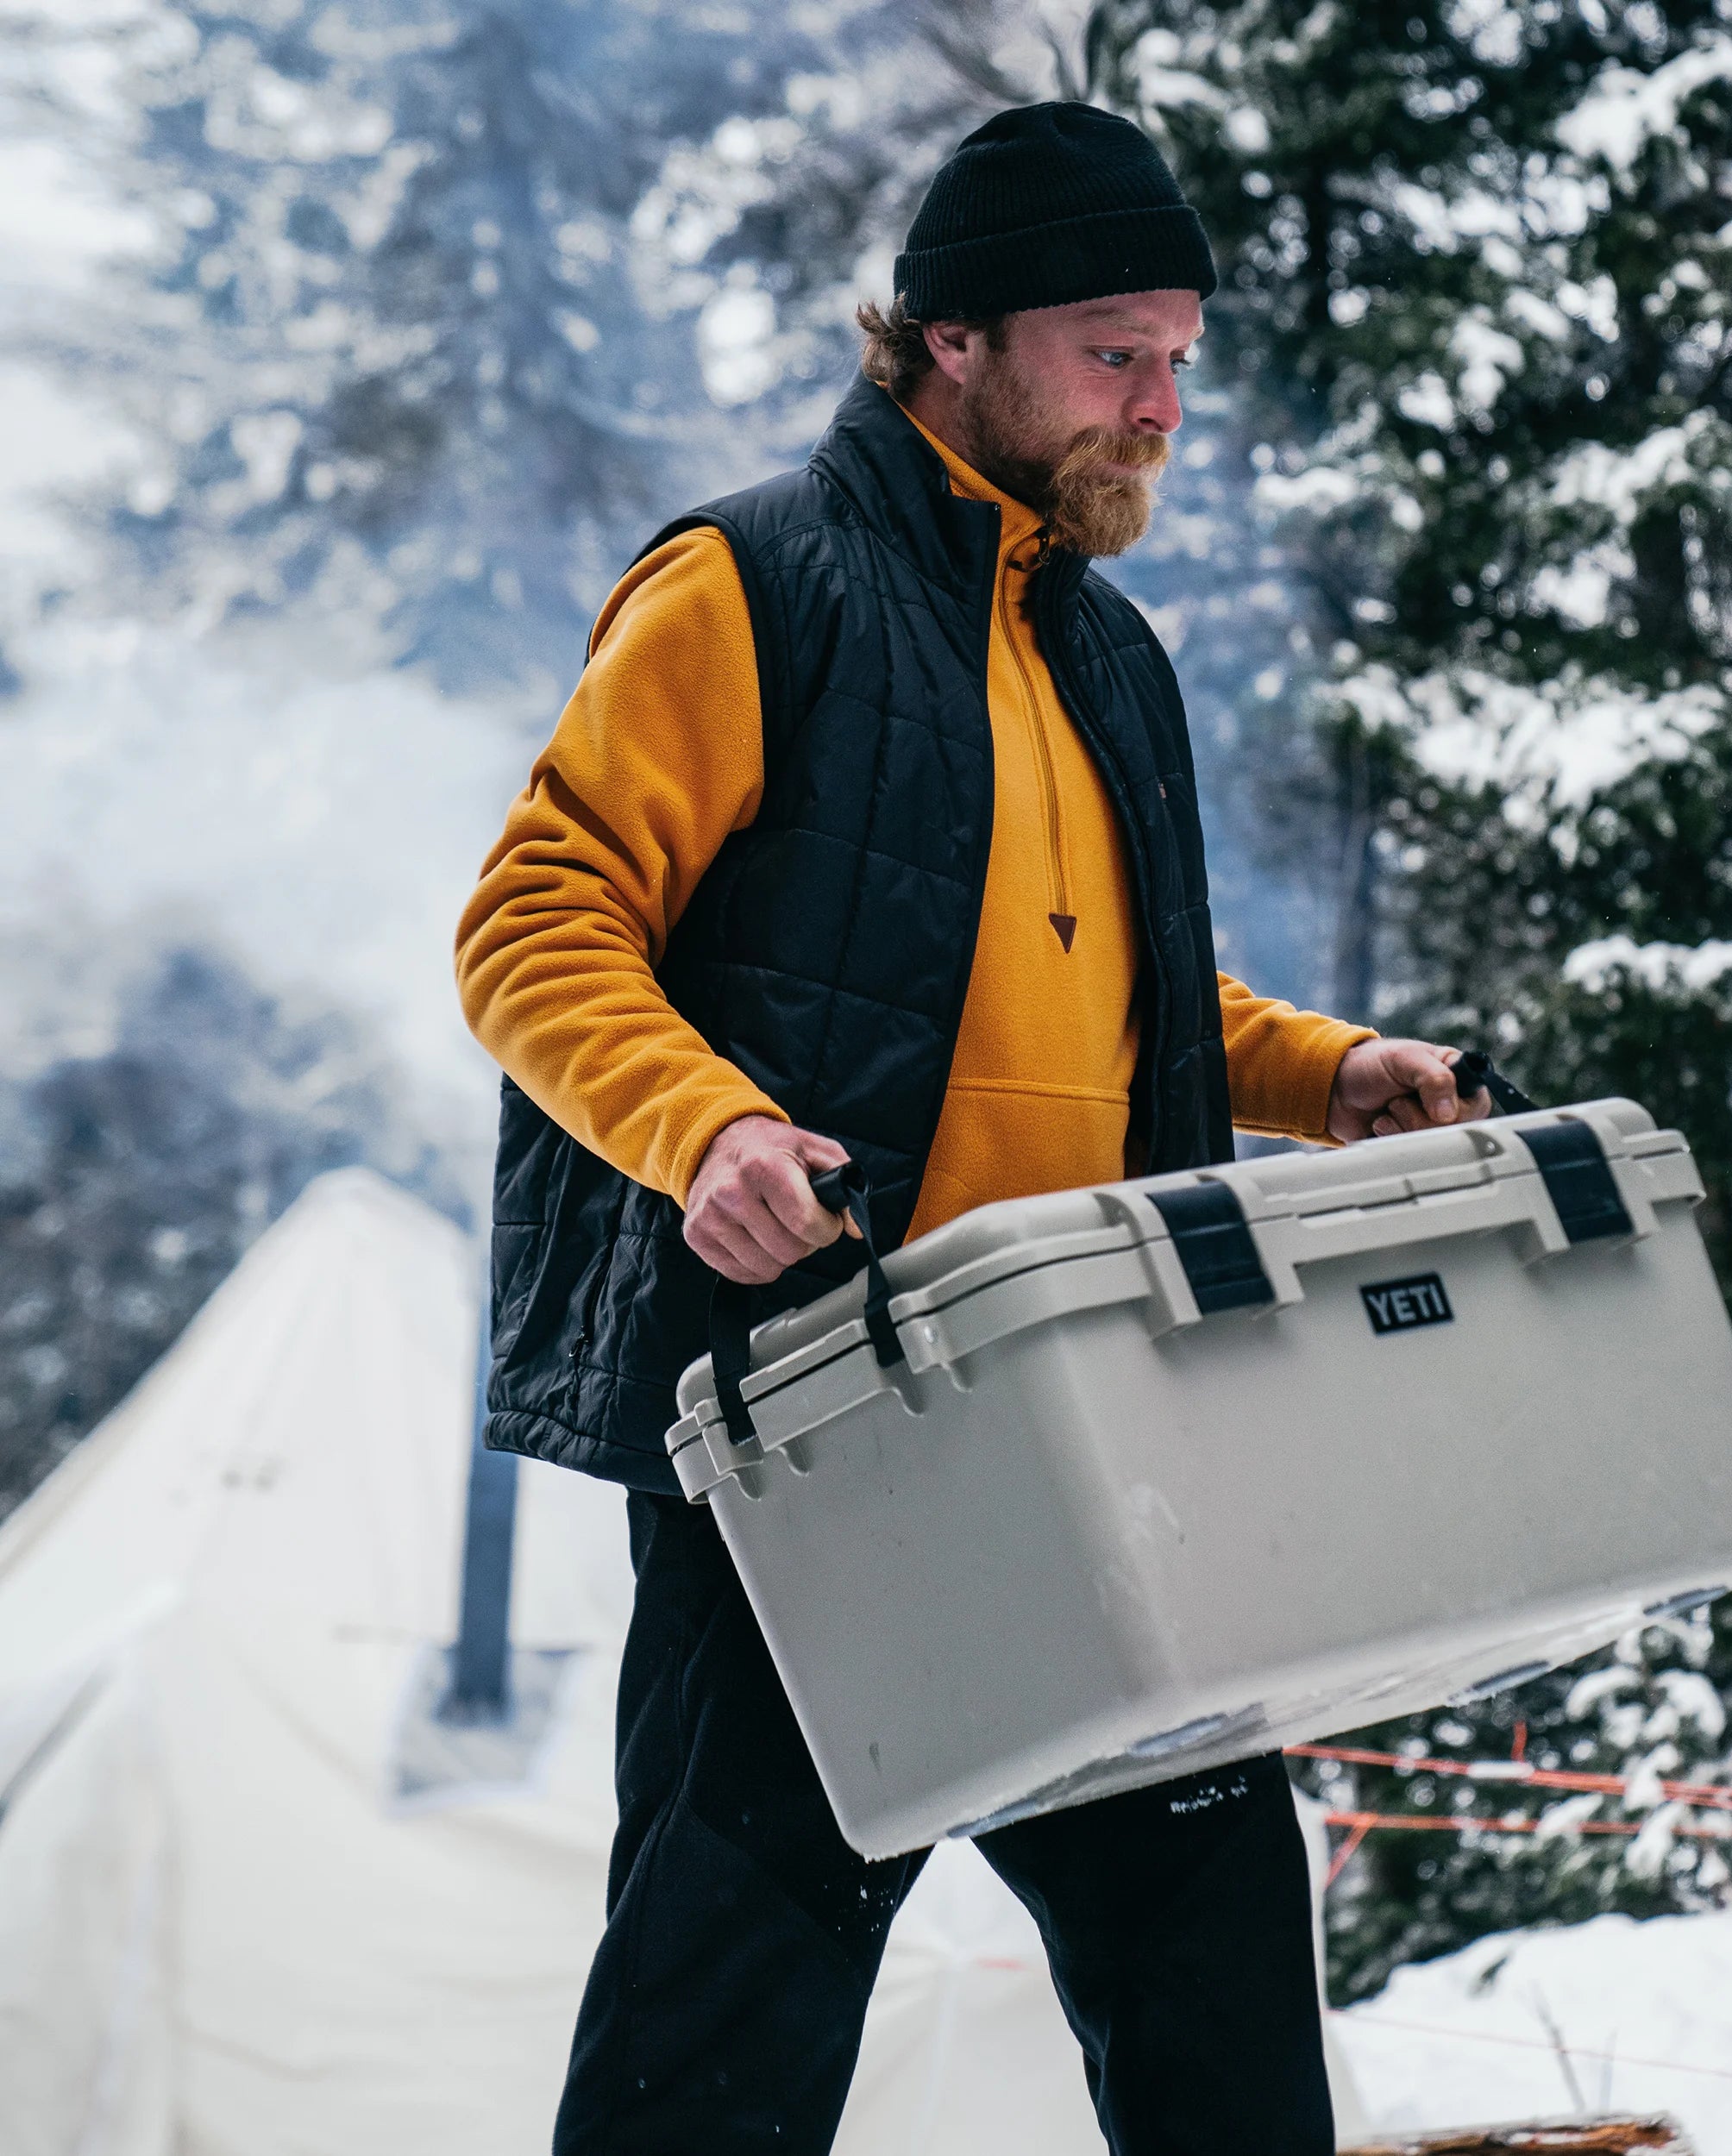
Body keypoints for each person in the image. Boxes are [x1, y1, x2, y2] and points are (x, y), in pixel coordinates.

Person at [455, 99, 1490, 2156]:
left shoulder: (1103, 652)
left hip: (1100, 1436)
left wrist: (1316, 1072)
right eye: (1115, 350)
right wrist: (708, 1129)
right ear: (950, 337)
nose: (1161, 404)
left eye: (1180, 356)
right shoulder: (752, 583)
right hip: (818, 1444)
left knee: (1218, 2008)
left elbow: (1090, 985)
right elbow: (535, 917)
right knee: (716, 2040)